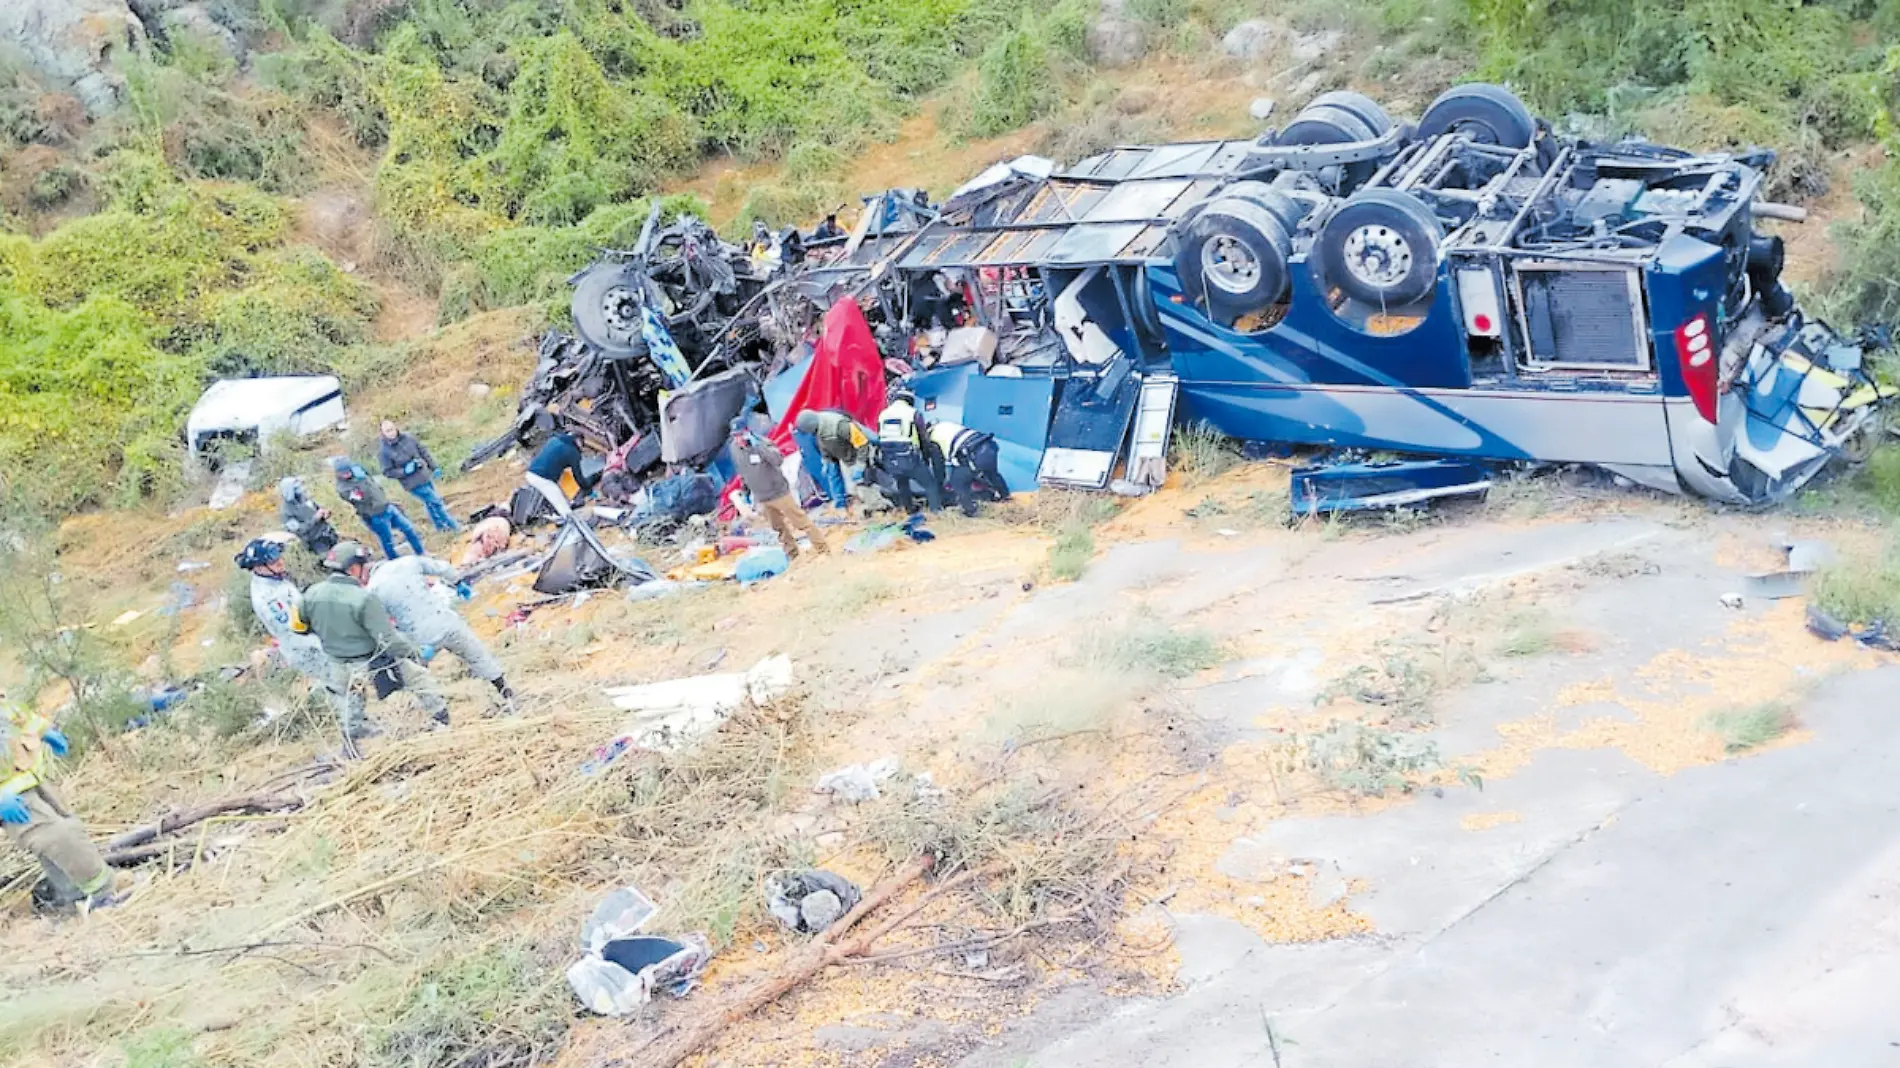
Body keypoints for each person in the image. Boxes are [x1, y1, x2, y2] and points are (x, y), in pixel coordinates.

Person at [294, 541, 449, 729]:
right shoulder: (364, 598)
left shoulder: (311, 594)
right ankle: (442, 722)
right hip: (369, 661)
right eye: (363, 565)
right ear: (353, 568)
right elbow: (388, 641)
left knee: (350, 710)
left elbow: (298, 627)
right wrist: (415, 652)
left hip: (336, 663)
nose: (366, 569)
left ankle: (350, 748)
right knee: (420, 678)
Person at [234, 537, 361, 738]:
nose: (281, 562)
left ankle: (354, 726)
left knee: (345, 684)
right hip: (306, 648)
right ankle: (353, 733)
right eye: (274, 561)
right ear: (259, 567)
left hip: (314, 640)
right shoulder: (268, 597)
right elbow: (295, 628)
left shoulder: (276, 580)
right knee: (343, 686)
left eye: (279, 557)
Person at [2, 695, 119, 911]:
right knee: (57, 837)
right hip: (9, 800)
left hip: (32, 779)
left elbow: (15, 714)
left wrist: (44, 732)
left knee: (63, 831)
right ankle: (103, 891)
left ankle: (74, 896)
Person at [367, 553, 515, 713]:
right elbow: (443, 568)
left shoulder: (373, 588)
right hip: (446, 621)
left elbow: (383, 623)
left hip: (419, 636)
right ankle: (504, 690)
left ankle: (437, 713)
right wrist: (458, 582)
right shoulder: (408, 562)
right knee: (477, 656)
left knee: (419, 676)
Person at [729, 422, 827, 559]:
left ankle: (823, 549)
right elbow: (742, 470)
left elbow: (778, 460)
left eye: (740, 435)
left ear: (747, 432)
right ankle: (792, 554)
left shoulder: (763, 443)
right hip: (761, 497)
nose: (738, 439)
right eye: (735, 436)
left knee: (801, 522)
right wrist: (746, 490)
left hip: (778, 492)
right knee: (779, 528)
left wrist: (758, 447)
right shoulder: (734, 449)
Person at [332, 457, 424, 560]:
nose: (347, 473)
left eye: (348, 470)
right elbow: (363, 498)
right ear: (338, 473)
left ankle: (421, 553)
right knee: (388, 542)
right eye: (343, 472)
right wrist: (362, 480)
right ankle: (395, 561)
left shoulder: (360, 474)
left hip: (387, 507)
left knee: (409, 529)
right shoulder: (343, 489)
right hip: (375, 516)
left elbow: (375, 488)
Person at [379, 420, 459, 533]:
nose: (391, 432)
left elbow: (423, 452)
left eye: (392, 429)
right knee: (436, 501)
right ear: (383, 433)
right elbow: (387, 472)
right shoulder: (384, 452)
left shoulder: (408, 438)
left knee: (430, 503)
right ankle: (454, 526)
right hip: (411, 483)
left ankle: (440, 527)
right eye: (388, 431)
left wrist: (434, 467)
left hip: (423, 475)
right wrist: (404, 471)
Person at [875, 389, 942, 514]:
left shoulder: (883, 414)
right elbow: (923, 438)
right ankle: (936, 512)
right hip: (908, 456)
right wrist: (927, 456)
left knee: (902, 482)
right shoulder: (913, 413)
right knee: (930, 484)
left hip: (889, 457)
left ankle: (909, 509)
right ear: (909, 401)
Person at [792, 408, 872, 511]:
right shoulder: (817, 430)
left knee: (864, 483)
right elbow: (823, 444)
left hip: (856, 451)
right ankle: (841, 505)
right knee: (833, 475)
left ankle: (877, 506)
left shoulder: (839, 425)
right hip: (839, 452)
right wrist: (826, 461)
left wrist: (860, 465)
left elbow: (862, 444)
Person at [928, 420, 1012, 516]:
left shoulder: (932, 439)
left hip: (972, 453)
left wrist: (940, 485)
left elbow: (939, 467)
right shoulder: (945, 425)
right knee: (992, 473)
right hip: (988, 445)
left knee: (957, 482)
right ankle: (1006, 496)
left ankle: (970, 510)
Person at [279, 476, 339, 556]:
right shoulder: (286, 511)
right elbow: (298, 530)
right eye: (296, 488)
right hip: (316, 542)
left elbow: (317, 509)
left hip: (328, 534)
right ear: (289, 491)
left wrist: (325, 513)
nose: (301, 489)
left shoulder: (304, 498)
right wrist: (315, 518)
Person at [527, 430, 596, 500]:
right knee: (563, 506)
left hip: (530, 473)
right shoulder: (573, 452)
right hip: (544, 479)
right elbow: (579, 478)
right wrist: (589, 490)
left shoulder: (554, 439)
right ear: (578, 440)